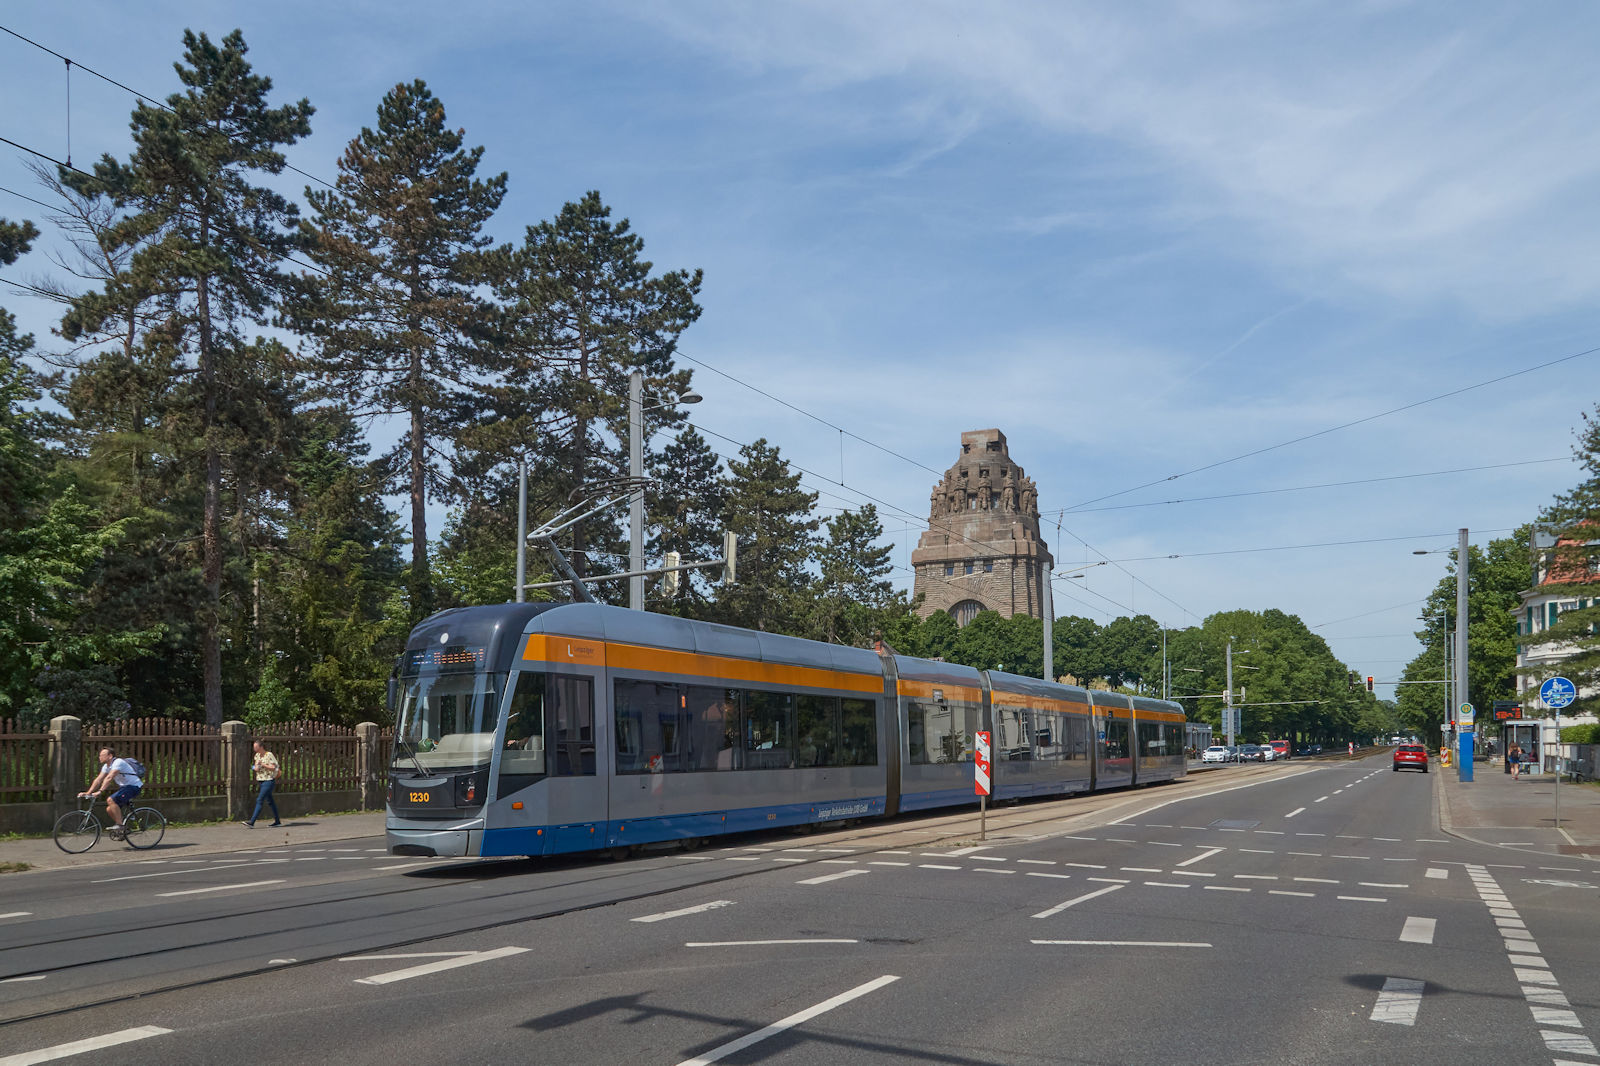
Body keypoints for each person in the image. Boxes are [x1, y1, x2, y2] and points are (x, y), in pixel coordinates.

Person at [80, 746, 142, 840]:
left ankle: (120, 826)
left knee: (110, 800)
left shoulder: (118, 762)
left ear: (110, 756)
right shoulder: (106, 766)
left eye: (102, 755)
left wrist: (100, 791)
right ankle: (124, 828)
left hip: (134, 786)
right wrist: (88, 792)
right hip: (125, 787)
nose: (100, 757)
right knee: (109, 809)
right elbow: (98, 779)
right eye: (100, 755)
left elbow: (109, 778)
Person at [243, 739, 282, 827]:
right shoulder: (257, 756)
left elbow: (274, 767)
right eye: (254, 747)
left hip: (269, 780)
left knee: (259, 800)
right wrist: (254, 767)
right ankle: (277, 821)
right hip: (261, 780)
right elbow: (256, 768)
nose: (254, 749)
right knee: (270, 801)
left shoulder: (269, 755)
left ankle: (252, 822)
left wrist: (263, 765)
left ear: (261, 747)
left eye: (256, 747)